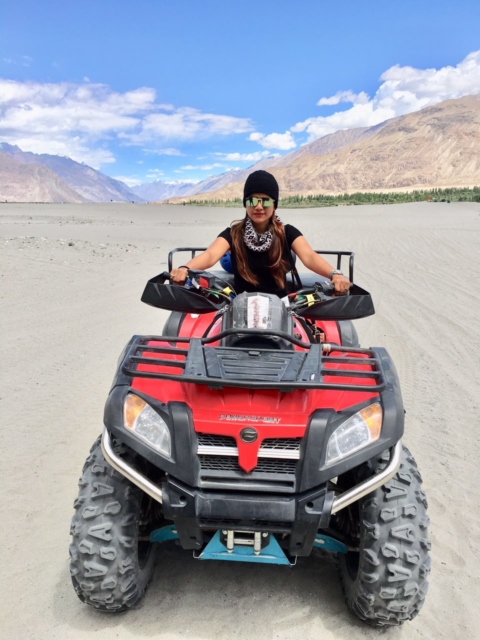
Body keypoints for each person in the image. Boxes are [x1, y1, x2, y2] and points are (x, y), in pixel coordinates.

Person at [170, 170, 351, 296]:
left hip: (281, 306)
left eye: (265, 201)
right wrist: (185, 268)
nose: (258, 206)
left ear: (274, 205)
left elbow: (309, 256)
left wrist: (335, 274)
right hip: (240, 305)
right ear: (245, 204)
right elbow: (210, 255)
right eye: (252, 200)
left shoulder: (287, 232)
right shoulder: (233, 233)